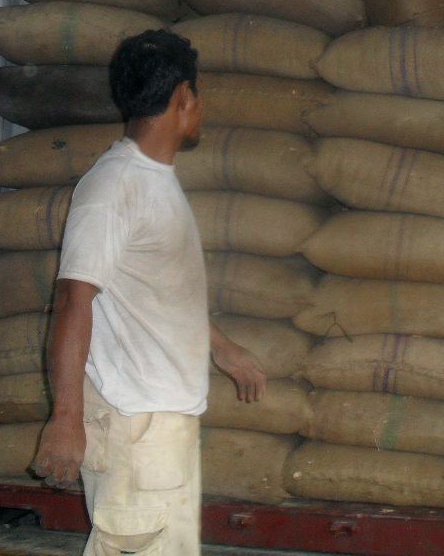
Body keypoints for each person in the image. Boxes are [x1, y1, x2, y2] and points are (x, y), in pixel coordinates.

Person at [31, 29, 267, 555]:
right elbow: (74, 301)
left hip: (158, 417)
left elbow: (155, 291)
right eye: (197, 97)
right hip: (132, 419)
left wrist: (223, 349)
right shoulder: (115, 187)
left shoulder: (153, 180)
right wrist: (65, 420)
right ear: (184, 98)